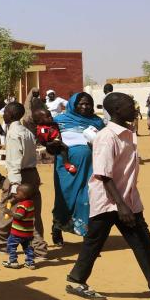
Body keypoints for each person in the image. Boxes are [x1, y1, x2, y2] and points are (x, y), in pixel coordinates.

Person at [65, 93, 150, 300]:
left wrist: (127, 202)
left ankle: (77, 278)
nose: (134, 107)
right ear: (117, 110)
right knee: (106, 243)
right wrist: (122, 206)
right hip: (110, 201)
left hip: (127, 199)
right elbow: (104, 175)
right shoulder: (107, 137)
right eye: (129, 105)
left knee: (138, 247)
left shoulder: (127, 133)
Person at [0, 102, 48, 259]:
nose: (3, 115)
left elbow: (14, 162)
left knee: (7, 206)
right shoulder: (27, 132)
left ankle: (1, 244)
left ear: (10, 115)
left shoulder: (13, 134)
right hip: (32, 175)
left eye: (5, 112)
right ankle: (40, 249)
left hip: (18, 177)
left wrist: (14, 187)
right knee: (33, 212)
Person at [50, 92, 105, 242]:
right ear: (73, 104)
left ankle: (87, 237)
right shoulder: (59, 121)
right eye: (81, 103)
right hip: (67, 169)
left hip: (91, 167)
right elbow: (50, 143)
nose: (85, 106)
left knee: (87, 198)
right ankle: (57, 227)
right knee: (65, 199)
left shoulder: (97, 122)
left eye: (88, 104)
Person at [0, 183, 38, 270]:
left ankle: (13, 261)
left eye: (17, 193)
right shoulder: (30, 203)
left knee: (11, 246)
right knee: (28, 248)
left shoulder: (22, 205)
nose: (15, 195)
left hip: (18, 232)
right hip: (28, 232)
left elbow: (19, 216)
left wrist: (9, 213)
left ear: (24, 195)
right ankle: (30, 263)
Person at [31, 108, 77, 174]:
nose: (51, 117)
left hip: (58, 141)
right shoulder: (43, 130)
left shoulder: (52, 124)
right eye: (48, 117)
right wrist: (53, 143)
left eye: (50, 115)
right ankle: (67, 164)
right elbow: (44, 143)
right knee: (64, 149)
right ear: (40, 121)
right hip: (51, 146)